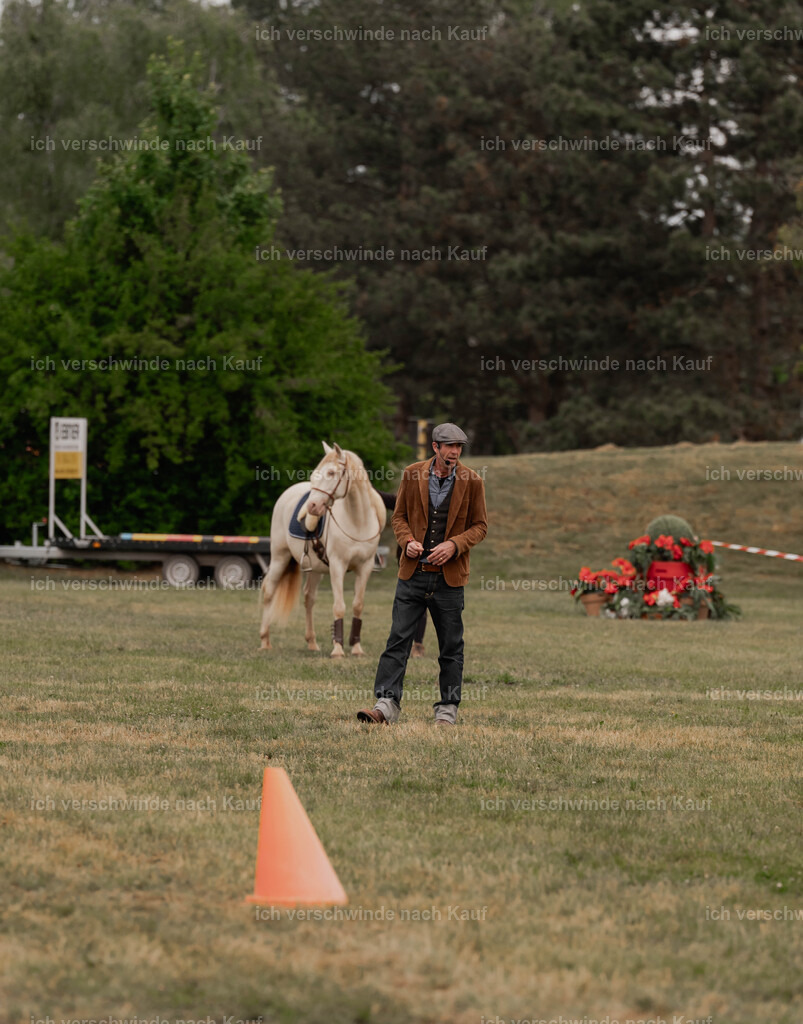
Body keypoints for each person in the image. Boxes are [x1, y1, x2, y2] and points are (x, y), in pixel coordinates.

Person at [358, 423, 487, 727]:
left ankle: (447, 710)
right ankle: (385, 706)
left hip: (449, 580)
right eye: (449, 446)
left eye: (459, 447)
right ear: (435, 447)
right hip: (412, 575)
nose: (454, 452)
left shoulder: (473, 481)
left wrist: (454, 545)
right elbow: (399, 516)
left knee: (451, 647)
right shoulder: (412, 473)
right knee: (397, 641)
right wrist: (407, 541)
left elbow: (480, 526)